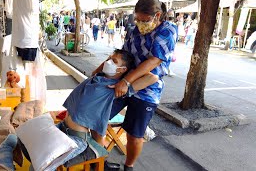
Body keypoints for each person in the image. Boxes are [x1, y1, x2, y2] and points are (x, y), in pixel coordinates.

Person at [19, 49, 158, 170]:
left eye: (114, 61)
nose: (108, 62)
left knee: (43, 165)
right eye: (109, 58)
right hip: (62, 128)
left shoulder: (116, 89)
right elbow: (96, 71)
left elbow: (153, 77)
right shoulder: (98, 77)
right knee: (25, 140)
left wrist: (126, 82)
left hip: (76, 140)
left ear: (122, 70)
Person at [92, 0, 177, 171]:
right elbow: (122, 54)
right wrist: (99, 70)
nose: (139, 23)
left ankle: (128, 167)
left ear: (158, 15)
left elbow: (154, 61)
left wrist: (126, 81)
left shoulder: (167, 31)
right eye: (137, 19)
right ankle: (100, 161)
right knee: (95, 117)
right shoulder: (134, 29)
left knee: (134, 135)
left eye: (144, 20)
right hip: (122, 81)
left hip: (147, 88)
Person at [167, 9, 178, 77]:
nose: (171, 16)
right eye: (170, 14)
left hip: (171, 44)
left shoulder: (174, 26)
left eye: (172, 14)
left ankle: (167, 69)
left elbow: (175, 37)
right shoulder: (164, 25)